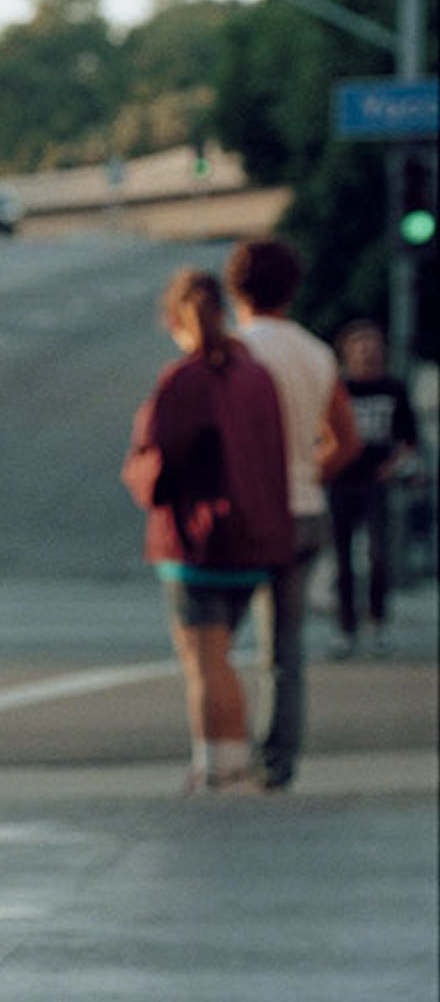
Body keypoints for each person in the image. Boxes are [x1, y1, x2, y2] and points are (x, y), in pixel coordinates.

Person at [127, 265, 298, 791]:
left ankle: (213, 765)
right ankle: (234, 760)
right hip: (253, 539)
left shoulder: (183, 379)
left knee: (204, 662)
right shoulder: (255, 376)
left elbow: (162, 461)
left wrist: (139, 470)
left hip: (194, 539)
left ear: (177, 320)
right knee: (221, 658)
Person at [224, 238, 356, 786]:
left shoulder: (231, 350)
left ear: (236, 289)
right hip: (304, 512)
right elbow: (345, 440)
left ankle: (219, 754)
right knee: (285, 649)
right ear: (293, 290)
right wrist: (308, 473)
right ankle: (277, 762)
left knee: (213, 640)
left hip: (247, 514)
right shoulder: (317, 353)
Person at [331, 318, 417, 656]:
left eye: (372, 345)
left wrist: (393, 467)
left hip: (375, 483)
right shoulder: (339, 389)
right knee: (342, 559)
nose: (366, 352)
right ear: (348, 352)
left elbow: (408, 438)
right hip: (341, 480)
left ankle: (377, 623)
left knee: (379, 555)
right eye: (359, 346)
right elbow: (321, 432)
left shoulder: (393, 389)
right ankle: (345, 628)